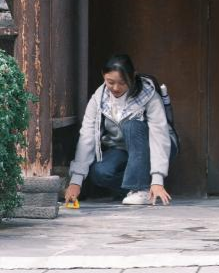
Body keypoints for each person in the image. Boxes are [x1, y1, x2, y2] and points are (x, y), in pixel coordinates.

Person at [64, 54, 177, 205]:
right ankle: (138, 188)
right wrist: (75, 181)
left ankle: (140, 188)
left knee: (131, 125)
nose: (116, 88)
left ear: (133, 76)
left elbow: (159, 135)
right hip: (122, 148)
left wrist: (157, 179)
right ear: (103, 75)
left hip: (154, 146)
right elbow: (87, 137)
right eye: (110, 82)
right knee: (100, 173)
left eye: (122, 83)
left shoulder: (149, 95)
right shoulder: (98, 99)